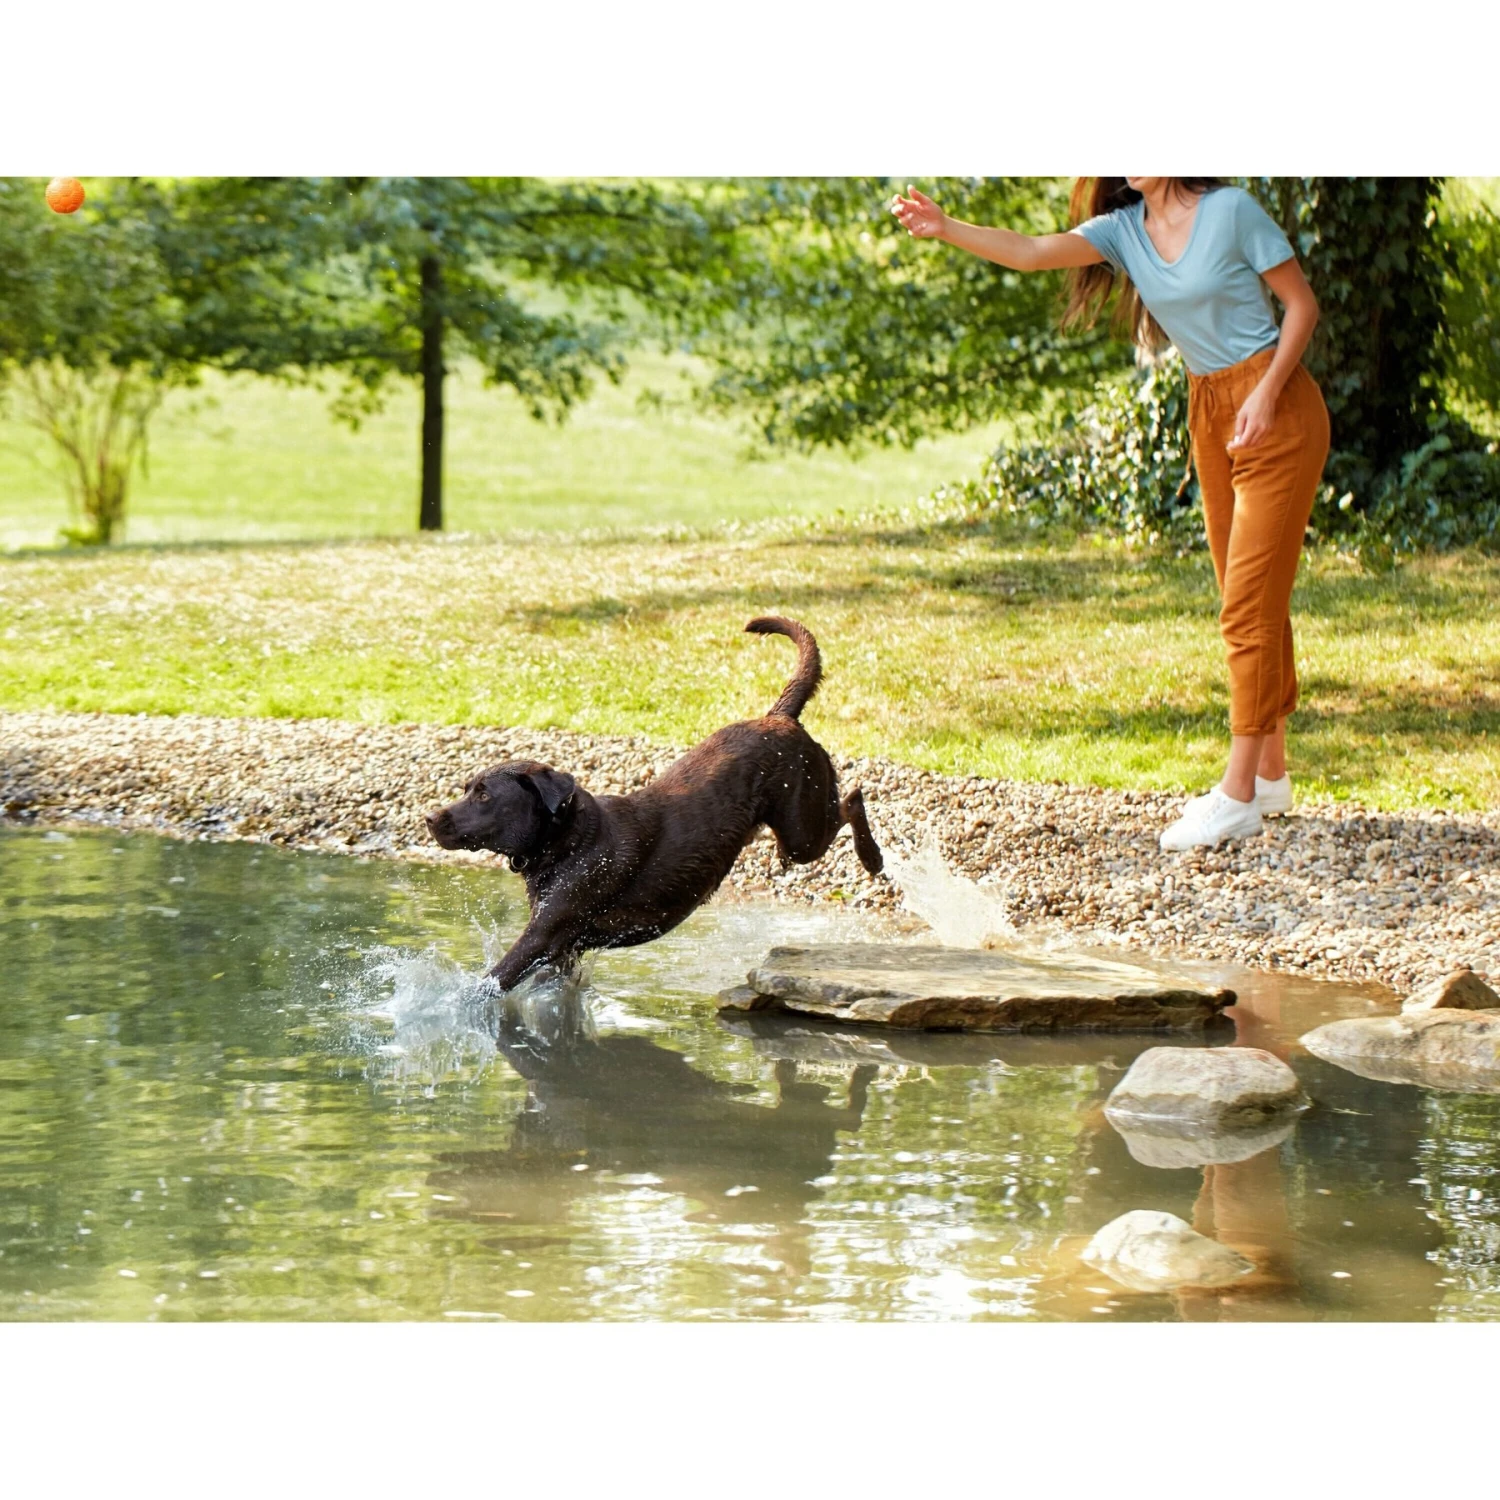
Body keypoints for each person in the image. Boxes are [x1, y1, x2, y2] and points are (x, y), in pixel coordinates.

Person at [891, 178, 1330, 852]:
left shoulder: (1231, 212)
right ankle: (1270, 772)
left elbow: (1302, 305)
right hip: (1211, 412)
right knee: (1249, 597)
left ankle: (1239, 794)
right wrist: (948, 227)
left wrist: (1268, 393)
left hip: (1277, 409)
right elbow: (1032, 251)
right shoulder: (1124, 232)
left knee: (1247, 609)